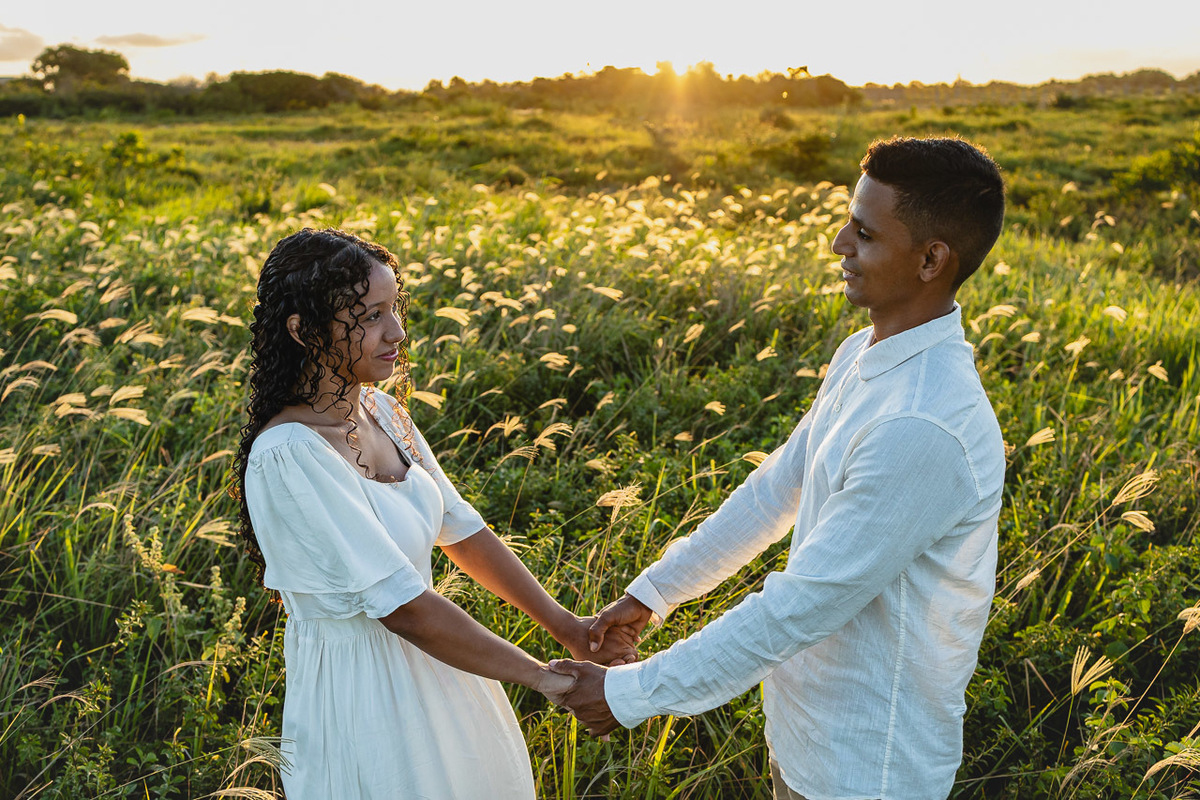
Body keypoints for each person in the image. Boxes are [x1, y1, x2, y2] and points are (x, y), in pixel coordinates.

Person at [551, 136, 1008, 800]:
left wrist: (631, 693)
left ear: (932, 259)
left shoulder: (924, 426)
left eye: (865, 232)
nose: (838, 244)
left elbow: (801, 606)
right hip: (800, 740)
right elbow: (774, 492)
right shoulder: (862, 353)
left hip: (866, 772)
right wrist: (655, 594)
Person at [232, 228, 636, 799]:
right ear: (304, 331)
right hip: (366, 698)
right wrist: (546, 680)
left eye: (394, 309)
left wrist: (570, 629)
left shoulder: (383, 413)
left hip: (448, 673)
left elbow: (463, 531)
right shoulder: (288, 454)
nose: (396, 333)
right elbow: (404, 608)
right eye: (370, 317)